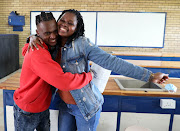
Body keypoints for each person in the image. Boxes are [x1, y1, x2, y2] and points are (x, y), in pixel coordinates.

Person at [28, 9, 169, 131]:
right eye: (62, 20)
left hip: (85, 106)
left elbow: (111, 62)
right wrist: (32, 37)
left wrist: (149, 76)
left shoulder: (82, 44)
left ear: (77, 28)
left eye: (70, 23)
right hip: (65, 105)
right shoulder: (52, 42)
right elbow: (39, 35)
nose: (64, 24)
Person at [13, 12, 95, 131]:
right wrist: (88, 76)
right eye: (47, 33)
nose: (53, 36)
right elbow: (63, 81)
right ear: (38, 32)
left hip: (42, 107)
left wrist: (31, 37)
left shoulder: (48, 45)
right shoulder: (38, 53)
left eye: (54, 31)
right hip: (28, 110)